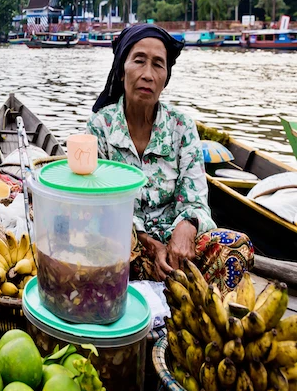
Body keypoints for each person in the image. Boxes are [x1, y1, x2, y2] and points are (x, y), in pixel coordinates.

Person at [87, 24, 252, 292]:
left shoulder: (182, 127)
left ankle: (198, 316)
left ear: (166, 78)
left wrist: (185, 228)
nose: (148, 75)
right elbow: (100, 204)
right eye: (139, 61)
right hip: (124, 241)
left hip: (177, 248)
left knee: (235, 246)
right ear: (120, 70)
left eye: (158, 65)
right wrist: (149, 244)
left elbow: (196, 199)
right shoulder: (100, 127)